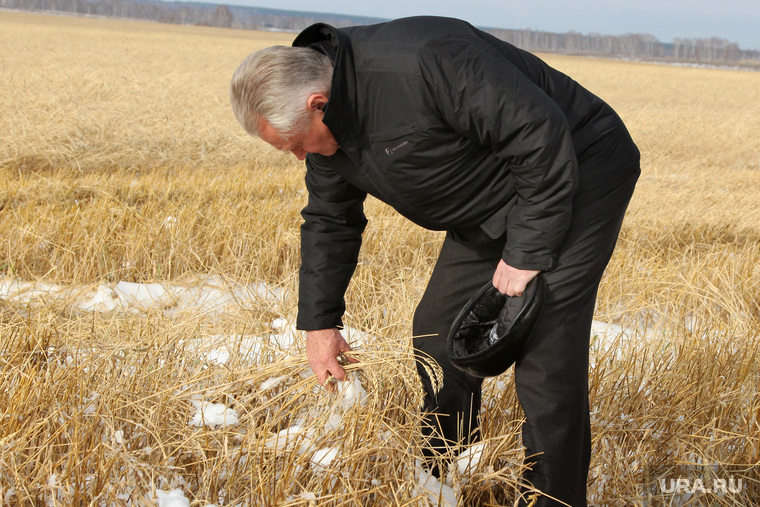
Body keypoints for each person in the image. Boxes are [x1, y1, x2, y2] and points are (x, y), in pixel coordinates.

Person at [230, 16, 640, 506]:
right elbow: (330, 220)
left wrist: (526, 252)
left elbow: (539, 134)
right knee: (437, 331)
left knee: (545, 351)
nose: (300, 157)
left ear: (318, 104)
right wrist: (319, 323)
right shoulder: (328, 129)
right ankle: (443, 473)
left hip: (576, 168)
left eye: (296, 144)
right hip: (491, 196)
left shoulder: (424, 62)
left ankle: (553, 498)